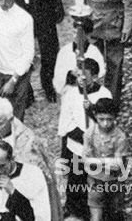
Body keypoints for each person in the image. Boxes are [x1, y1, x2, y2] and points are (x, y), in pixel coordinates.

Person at [57, 59, 112, 221]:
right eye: (79, 75)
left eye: (85, 76)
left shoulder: (104, 94)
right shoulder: (72, 94)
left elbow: (106, 120)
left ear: (94, 77)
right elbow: (65, 122)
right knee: (76, 181)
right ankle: (76, 212)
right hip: (76, 147)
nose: (81, 79)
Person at [0, 140, 51, 221]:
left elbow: (41, 216)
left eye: (2, 166)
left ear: (12, 159)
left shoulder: (32, 174)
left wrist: (13, 192)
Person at [83, 98, 129, 221]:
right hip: (95, 180)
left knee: (114, 214)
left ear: (115, 117)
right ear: (95, 116)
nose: (105, 123)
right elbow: (85, 161)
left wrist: (97, 161)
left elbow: (118, 165)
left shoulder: (120, 137)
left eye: (109, 119)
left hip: (114, 181)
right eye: (101, 119)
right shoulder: (89, 134)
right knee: (96, 216)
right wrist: (108, 161)